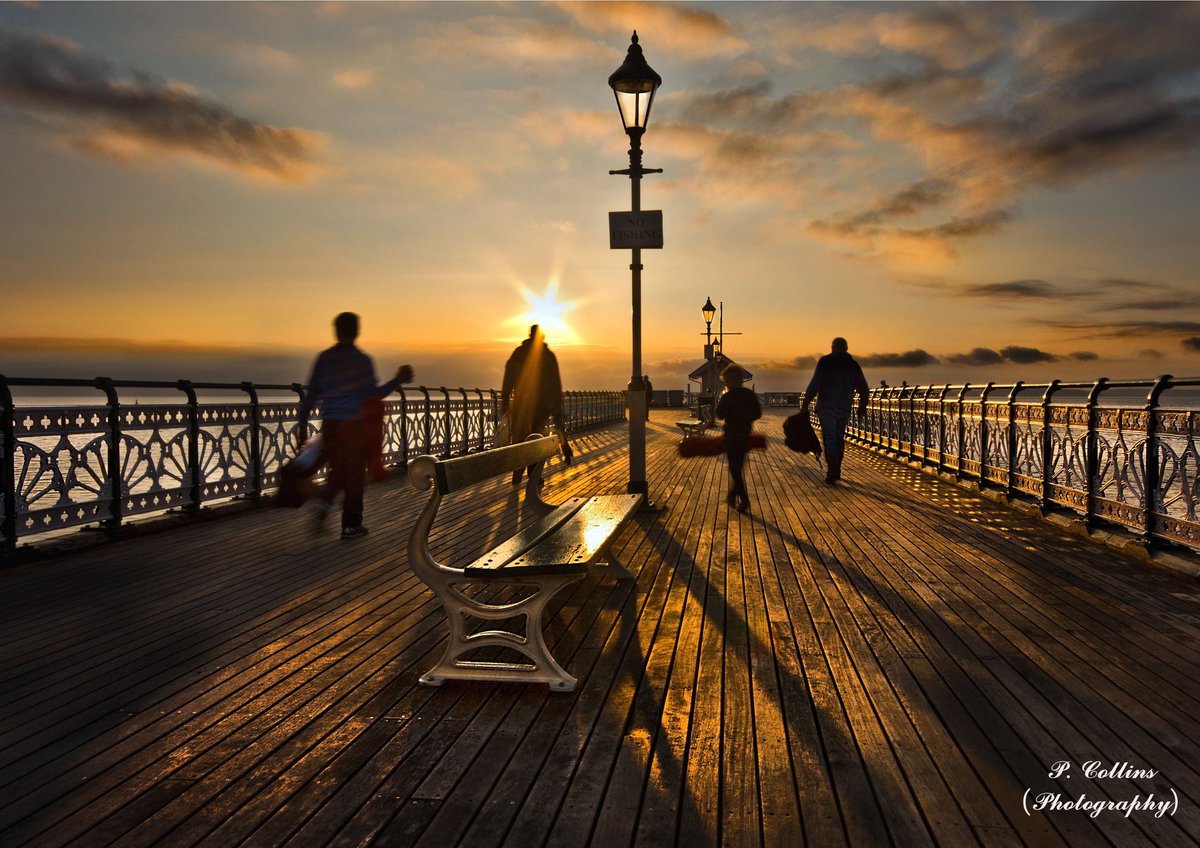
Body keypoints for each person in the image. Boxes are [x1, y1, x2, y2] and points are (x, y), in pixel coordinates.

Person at [299, 312, 413, 538]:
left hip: (331, 424)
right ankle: (350, 525)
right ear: (357, 331)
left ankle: (323, 506)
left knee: (337, 470)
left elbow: (311, 394)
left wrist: (302, 424)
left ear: (336, 331)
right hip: (354, 426)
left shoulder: (324, 359)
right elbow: (373, 395)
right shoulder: (362, 361)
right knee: (354, 475)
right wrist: (397, 380)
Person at [501, 324, 564, 486]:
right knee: (537, 438)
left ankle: (518, 470)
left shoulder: (519, 353)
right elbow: (555, 384)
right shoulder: (548, 356)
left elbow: (509, 377)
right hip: (541, 405)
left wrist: (506, 400)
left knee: (519, 438)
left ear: (530, 336)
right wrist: (557, 407)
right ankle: (534, 474)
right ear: (541, 337)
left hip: (521, 404)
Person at [802, 336, 869, 485]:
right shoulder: (852, 365)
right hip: (844, 407)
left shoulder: (825, 362)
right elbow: (864, 388)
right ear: (846, 349)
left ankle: (832, 470)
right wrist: (862, 406)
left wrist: (805, 403)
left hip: (826, 407)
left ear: (832, 348)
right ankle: (836, 468)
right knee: (839, 438)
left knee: (830, 438)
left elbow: (815, 384)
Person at [714, 363, 761, 513]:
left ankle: (744, 499)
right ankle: (731, 495)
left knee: (735, 469)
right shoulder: (749, 395)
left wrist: (729, 411)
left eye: (726, 381)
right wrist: (746, 418)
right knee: (737, 467)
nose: (725, 384)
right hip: (745, 435)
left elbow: (719, 414)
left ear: (731, 380)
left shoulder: (727, 397)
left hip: (731, 436)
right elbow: (758, 414)